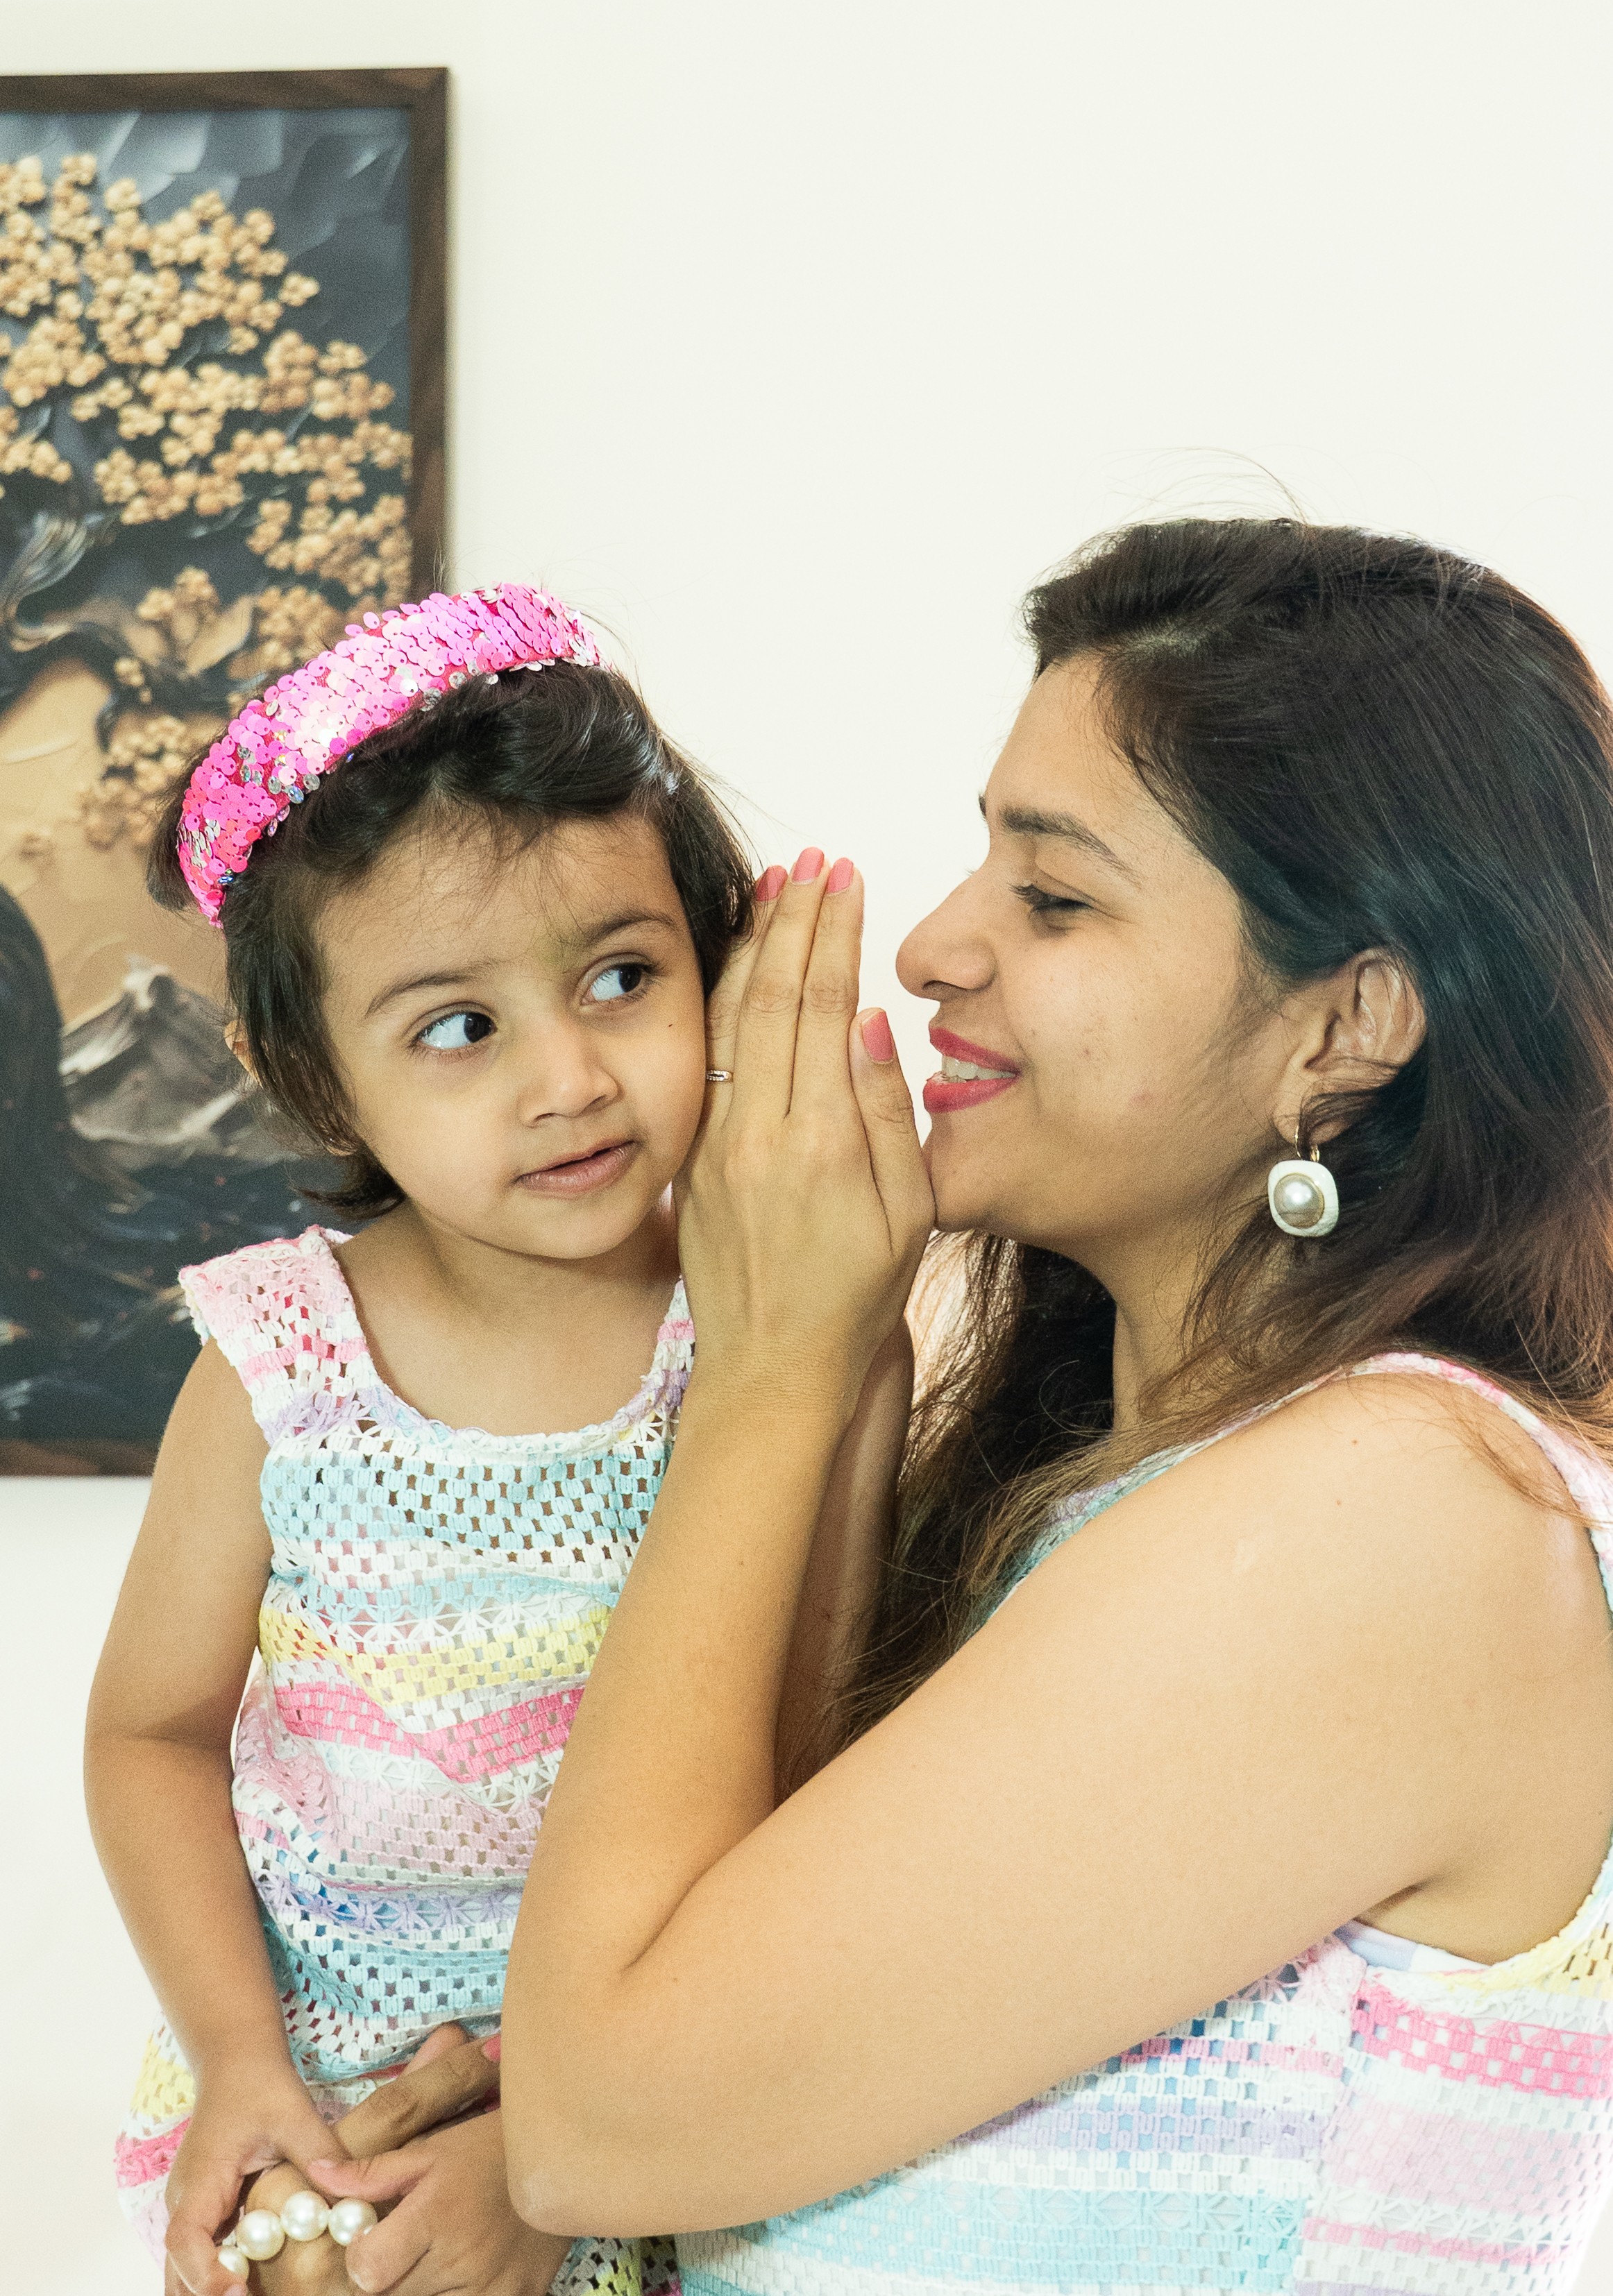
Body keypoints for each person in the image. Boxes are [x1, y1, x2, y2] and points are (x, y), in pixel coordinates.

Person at [455, 522, 1613, 2295]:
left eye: (1054, 898)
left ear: (1349, 1026)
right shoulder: (1129, 1489)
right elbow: (685, 2085)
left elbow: (601, 2121)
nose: (928, 950)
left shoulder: (1402, 1514)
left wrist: (763, 1370)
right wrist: (834, 1394)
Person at [83, 586, 911, 2296]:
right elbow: (152, 1737)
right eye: (457, 1027)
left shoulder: (790, 1335)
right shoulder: (278, 1364)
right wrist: (241, 2059)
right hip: (322, 2127)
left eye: (621, 978)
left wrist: (553, 2152)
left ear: (717, 965)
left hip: (669, 2125)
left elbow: (810, 1774)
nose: (568, 1079)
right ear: (314, 1081)